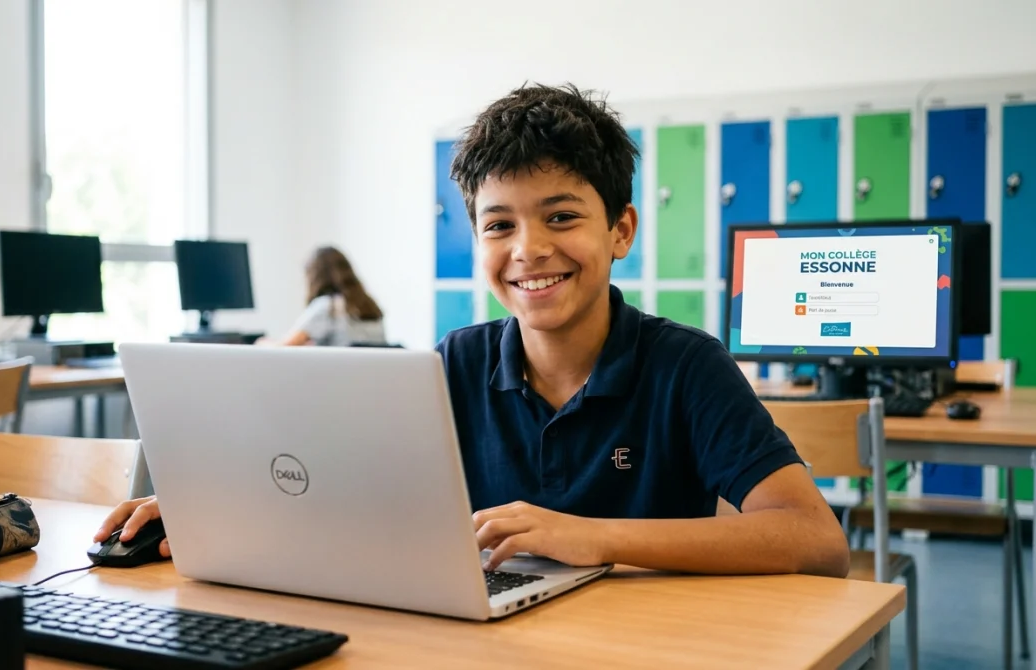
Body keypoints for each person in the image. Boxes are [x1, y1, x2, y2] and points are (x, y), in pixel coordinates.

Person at [95, 83, 850, 579]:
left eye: (561, 216)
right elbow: (340, 486)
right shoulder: (454, 363)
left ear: (621, 230)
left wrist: (598, 536)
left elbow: (817, 541)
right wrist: (209, 503)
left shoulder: (687, 366)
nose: (529, 250)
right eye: (500, 225)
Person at [262, 246, 387, 347]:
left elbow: (286, 346)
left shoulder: (328, 306)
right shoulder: (368, 305)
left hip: (340, 374)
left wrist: (263, 343)